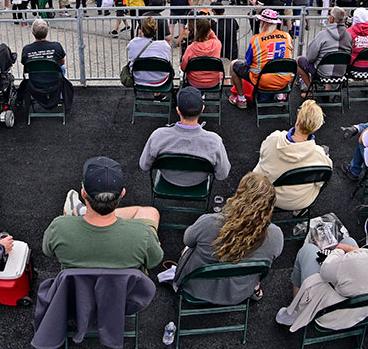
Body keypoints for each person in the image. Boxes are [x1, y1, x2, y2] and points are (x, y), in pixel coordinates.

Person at [276, 206, 368, 332]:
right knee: (349, 240)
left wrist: (338, 250)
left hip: (330, 311)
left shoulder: (358, 261)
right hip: (360, 311)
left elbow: (326, 272)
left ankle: (294, 312)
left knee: (307, 250)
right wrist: (350, 249)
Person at [174, 173, 283, 304]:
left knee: (189, 249)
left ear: (238, 195)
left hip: (196, 289)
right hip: (239, 293)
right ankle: (255, 288)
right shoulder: (276, 236)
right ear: (270, 206)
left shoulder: (208, 223)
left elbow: (187, 241)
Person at [46, 157, 163, 270]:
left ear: (83, 194)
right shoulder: (142, 233)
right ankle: (83, 212)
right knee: (150, 212)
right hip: (124, 290)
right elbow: (154, 261)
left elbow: (47, 251)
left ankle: (81, 212)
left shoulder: (59, 227)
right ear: (122, 194)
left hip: (76, 289)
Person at [138, 87, 230, 186]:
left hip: (168, 179)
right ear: (202, 109)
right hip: (198, 182)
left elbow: (144, 165)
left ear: (178, 110)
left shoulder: (158, 136)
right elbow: (222, 174)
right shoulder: (214, 141)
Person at [253, 100, 333, 211]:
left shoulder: (274, 138)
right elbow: (321, 183)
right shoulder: (320, 156)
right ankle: (299, 211)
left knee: (263, 158)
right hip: (300, 201)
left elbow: (263, 154)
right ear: (316, 127)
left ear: (298, 121)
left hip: (269, 195)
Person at [229, 9, 294, 109]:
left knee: (234, 64)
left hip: (261, 81)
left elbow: (247, 63)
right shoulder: (287, 36)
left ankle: (241, 99)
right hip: (283, 80)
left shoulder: (256, 39)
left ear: (264, 23)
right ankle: (280, 95)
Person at [297, 6, 352, 92]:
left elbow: (310, 57)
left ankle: (310, 90)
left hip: (322, 74)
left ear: (331, 19)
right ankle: (328, 89)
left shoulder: (323, 35)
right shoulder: (348, 35)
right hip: (341, 73)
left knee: (299, 60)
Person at [126, 15, 172, 86]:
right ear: (156, 30)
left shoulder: (133, 43)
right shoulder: (164, 45)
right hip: (160, 80)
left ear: (141, 29)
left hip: (138, 79)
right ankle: (157, 93)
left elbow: (131, 56)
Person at [180, 18, 222, 88]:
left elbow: (183, 68)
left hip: (194, 81)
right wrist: (207, 29)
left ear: (196, 30)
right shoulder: (217, 44)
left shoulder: (191, 48)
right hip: (213, 81)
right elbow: (213, 36)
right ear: (209, 30)